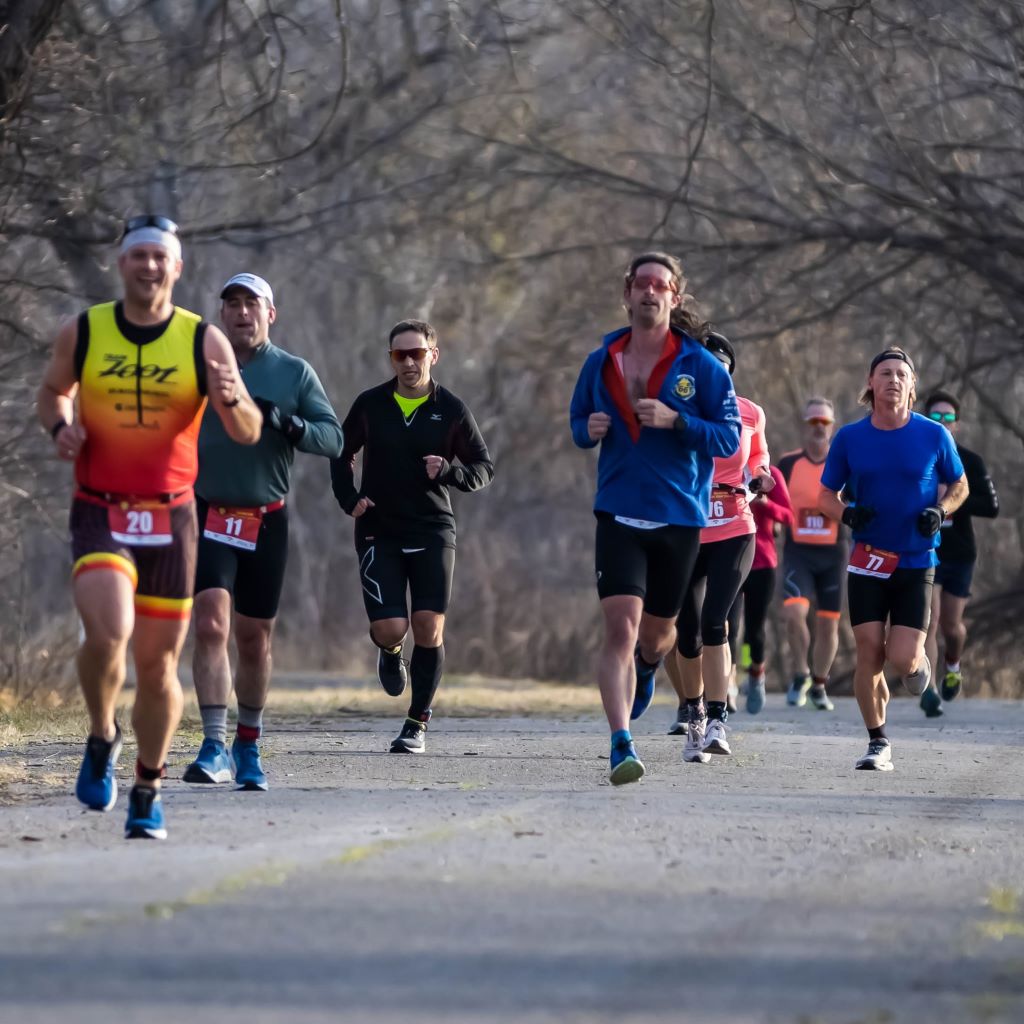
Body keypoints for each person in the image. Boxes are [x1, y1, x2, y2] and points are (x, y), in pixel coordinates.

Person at [36, 215, 262, 839]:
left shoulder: (203, 341)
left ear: (176, 267)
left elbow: (247, 433)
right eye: (138, 256)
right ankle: (102, 732)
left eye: (159, 257)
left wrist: (234, 398)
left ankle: (147, 788)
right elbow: (53, 391)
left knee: (159, 664)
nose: (149, 266)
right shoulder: (85, 331)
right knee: (109, 630)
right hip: (101, 505)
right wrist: (62, 427)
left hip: (171, 514)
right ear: (122, 264)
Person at [570, 255, 739, 785]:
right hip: (618, 511)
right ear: (627, 294)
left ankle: (648, 667)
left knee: (659, 635)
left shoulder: (702, 368)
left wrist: (677, 420)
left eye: (659, 285)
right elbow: (576, 422)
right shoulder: (602, 360)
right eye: (640, 284)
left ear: (675, 297)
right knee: (619, 630)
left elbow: (729, 438)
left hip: (678, 518)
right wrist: (589, 428)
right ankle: (621, 742)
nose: (649, 292)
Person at [183, 274, 344, 789]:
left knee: (254, 639)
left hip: (264, 518)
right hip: (206, 511)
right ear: (222, 314)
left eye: (251, 304)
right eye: (231, 304)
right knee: (210, 623)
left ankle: (247, 744)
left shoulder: (293, 372)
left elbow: (333, 438)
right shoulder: (200, 365)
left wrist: (288, 424)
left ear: (270, 314)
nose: (241, 313)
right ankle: (212, 745)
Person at [331, 319, 493, 754]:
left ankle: (416, 722)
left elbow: (483, 467)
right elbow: (341, 452)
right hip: (378, 528)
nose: (407, 362)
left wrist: (451, 471)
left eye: (416, 353)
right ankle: (389, 650)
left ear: (432, 356)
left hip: (433, 528)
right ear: (391, 359)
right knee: (390, 626)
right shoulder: (371, 404)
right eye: (399, 354)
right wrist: (349, 498)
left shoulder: (451, 408)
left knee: (429, 625)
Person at [819, 348, 968, 771]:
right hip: (867, 559)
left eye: (902, 374)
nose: (893, 380)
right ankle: (877, 741)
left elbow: (960, 485)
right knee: (869, 652)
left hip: (917, 561)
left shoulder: (934, 435)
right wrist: (848, 513)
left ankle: (916, 662)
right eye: (885, 373)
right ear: (870, 383)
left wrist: (941, 511)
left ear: (912, 385)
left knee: (901, 659)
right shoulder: (849, 437)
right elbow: (824, 496)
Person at [663, 333, 772, 762]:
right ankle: (692, 712)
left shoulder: (750, 412)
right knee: (685, 634)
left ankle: (717, 718)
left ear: (728, 370)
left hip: (735, 522)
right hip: (687, 525)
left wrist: (762, 475)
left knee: (715, 623)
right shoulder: (676, 409)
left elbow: (758, 456)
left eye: (718, 364)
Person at [918, 390, 998, 717]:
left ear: (957, 424)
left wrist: (951, 502)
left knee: (952, 626)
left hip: (961, 552)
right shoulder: (918, 457)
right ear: (927, 421)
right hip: (927, 550)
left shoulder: (971, 461)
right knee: (930, 621)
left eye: (948, 418)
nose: (942, 423)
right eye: (935, 417)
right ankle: (930, 691)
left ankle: (952, 666)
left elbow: (992, 507)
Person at [777, 398, 848, 711]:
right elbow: (772, 499)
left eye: (824, 422)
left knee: (828, 624)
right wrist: (775, 522)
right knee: (794, 614)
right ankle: (801, 673)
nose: (819, 428)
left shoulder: (845, 463)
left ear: (832, 427)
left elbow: (861, 502)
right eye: (812, 423)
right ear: (804, 428)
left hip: (833, 555)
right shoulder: (789, 464)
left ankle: (819, 683)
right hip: (798, 553)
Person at [726, 462, 792, 715]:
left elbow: (790, 516)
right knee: (726, 627)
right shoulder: (725, 469)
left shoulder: (770, 476)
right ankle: (728, 686)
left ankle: (755, 675)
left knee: (754, 631)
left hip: (763, 563)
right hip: (729, 560)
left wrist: (767, 506)